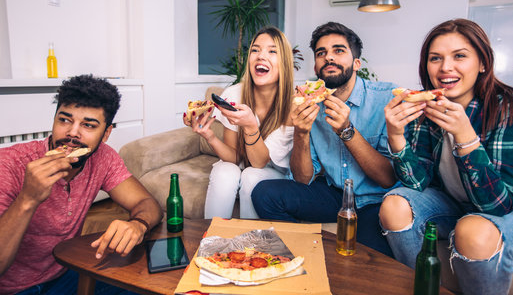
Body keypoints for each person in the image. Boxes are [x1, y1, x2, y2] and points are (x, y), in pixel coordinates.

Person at [379, 18, 513, 294]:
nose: (445, 68)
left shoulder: (512, 108)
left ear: (483, 63)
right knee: (394, 206)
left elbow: (497, 205)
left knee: (472, 230)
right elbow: (417, 183)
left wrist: (466, 137)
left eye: (459, 56)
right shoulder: (427, 106)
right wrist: (396, 136)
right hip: (454, 205)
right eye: (435, 58)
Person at [0, 74, 163, 294]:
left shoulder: (103, 157)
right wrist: (27, 199)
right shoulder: (9, 164)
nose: (72, 133)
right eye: (64, 120)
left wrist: (138, 224)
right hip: (16, 289)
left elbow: (147, 203)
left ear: (106, 134)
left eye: (88, 125)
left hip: (68, 271)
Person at [251, 21, 398, 256]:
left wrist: (346, 130)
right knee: (264, 194)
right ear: (316, 65)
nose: (329, 57)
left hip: (375, 200)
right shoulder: (311, 102)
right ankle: (298, 254)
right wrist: (301, 132)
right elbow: (302, 179)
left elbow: (388, 179)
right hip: (334, 194)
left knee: (365, 260)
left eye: (338, 50)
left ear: (356, 63)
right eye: (321, 53)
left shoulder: (386, 99)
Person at [184, 26, 295, 219]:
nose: (261, 56)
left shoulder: (292, 105)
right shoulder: (235, 93)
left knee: (252, 176)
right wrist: (209, 136)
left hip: (276, 174)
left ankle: (250, 246)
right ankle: (212, 239)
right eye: (255, 50)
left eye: (272, 51)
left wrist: (250, 125)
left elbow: (259, 163)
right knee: (225, 171)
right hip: (245, 165)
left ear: (284, 62)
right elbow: (234, 158)